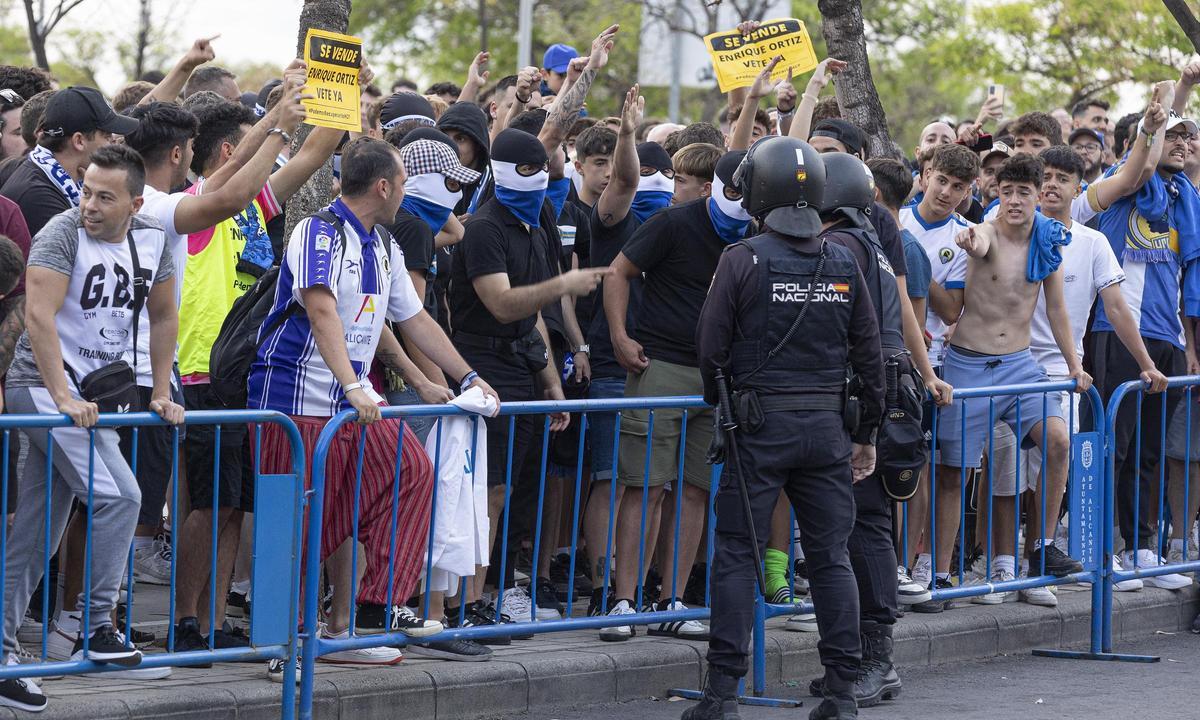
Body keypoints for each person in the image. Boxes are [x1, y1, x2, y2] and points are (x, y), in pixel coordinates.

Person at [250, 138, 497, 672]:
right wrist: (354, 384)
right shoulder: (316, 231)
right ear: (384, 186)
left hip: (353, 402)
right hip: (295, 400)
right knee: (298, 517)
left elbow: (413, 320)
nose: (406, 189)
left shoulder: (384, 244)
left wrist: (467, 375)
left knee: (411, 470)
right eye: (404, 180)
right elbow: (320, 311)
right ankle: (284, 643)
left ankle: (364, 610)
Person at [688, 136, 883, 720]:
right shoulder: (844, 261)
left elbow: (710, 347)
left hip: (759, 426)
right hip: (827, 428)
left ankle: (722, 693)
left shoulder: (741, 259)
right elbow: (871, 358)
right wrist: (865, 434)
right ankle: (842, 691)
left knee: (737, 555)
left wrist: (723, 402)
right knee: (830, 557)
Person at [0, 144, 186, 712]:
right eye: (86, 190)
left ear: (135, 202)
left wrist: (159, 389)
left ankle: (2, 652)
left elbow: (163, 315)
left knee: (39, 527)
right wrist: (61, 394)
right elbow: (37, 314)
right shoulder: (61, 231)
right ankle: (98, 625)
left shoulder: (152, 238)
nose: (90, 205)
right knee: (121, 496)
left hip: (93, 397)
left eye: (106, 196)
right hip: (40, 389)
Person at [169, 92, 345, 655]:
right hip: (201, 373)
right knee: (208, 504)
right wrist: (276, 118)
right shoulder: (200, 204)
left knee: (233, 507)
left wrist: (344, 93)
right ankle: (181, 621)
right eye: (260, 145)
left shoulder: (252, 206)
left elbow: (315, 154)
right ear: (228, 149)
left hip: (246, 374)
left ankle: (211, 623)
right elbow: (230, 175)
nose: (274, 155)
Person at [601, 144, 748, 642]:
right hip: (659, 367)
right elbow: (618, 271)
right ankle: (624, 601)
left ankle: (672, 599)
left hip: (716, 379)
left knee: (694, 492)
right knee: (645, 486)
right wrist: (620, 337)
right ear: (713, 186)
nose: (740, 202)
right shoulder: (674, 222)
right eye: (732, 191)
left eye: (748, 194)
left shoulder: (753, 233)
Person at [938, 155, 1090, 599]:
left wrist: (1075, 366)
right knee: (954, 472)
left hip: (1021, 365)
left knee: (1059, 440)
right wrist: (971, 239)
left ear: (1039, 193)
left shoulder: (1047, 238)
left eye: (1025, 191)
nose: (1016, 200)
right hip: (968, 364)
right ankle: (940, 572)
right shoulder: (985, 229)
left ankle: (1040, 545)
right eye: (1008, 192)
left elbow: (1058, 309)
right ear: (996, 194)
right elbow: (981, 240)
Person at [1091, 78, 1200, 588]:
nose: (1181, 142)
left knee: (1150, 451)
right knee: (1116, 445)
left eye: (1187, 136)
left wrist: (1189, 346)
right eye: (1170, 134)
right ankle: (1103, 551)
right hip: (1117, 334)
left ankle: (1141, 549)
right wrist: (1174, 94)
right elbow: (1143, 164)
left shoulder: (1182, 198)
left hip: (1167, 338)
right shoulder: (1123, 181)